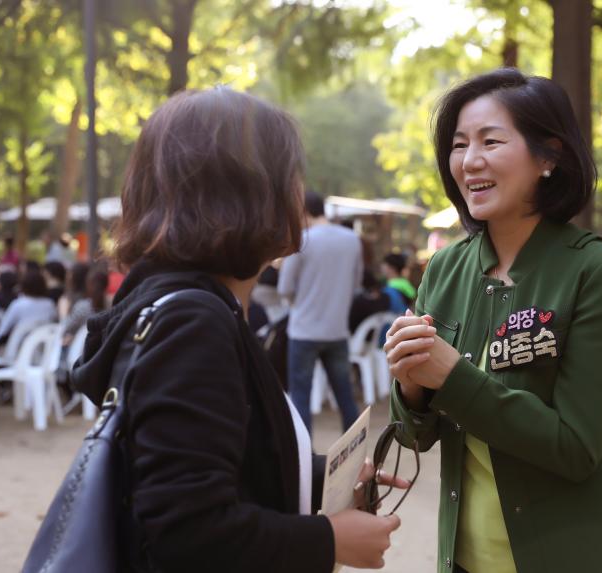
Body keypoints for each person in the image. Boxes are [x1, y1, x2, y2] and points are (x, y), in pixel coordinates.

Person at [70, 88, 402, 572]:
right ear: (245, 191)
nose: (299, 192)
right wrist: (328, 541)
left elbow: (219, 464)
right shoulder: (193, 324)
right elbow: (187, 534)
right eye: (291, 174)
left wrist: (320, 479)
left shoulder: (199, 308)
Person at [385, 69, 602, 573]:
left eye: (491, 141)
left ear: (548, 157)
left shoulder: (595, 272)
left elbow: (576, 448)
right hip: (466, 560)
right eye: (458, 145)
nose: (469, 160)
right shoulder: (445, 268)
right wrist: (410, 384)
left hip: (582, 555)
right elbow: (416, 435)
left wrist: (452, 377)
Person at [278, 191, 362, 434]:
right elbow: (356, 284)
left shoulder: (302, 240)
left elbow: (285, 288)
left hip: (303, 330)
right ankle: (355, 451)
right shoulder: (351, 239)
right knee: (345, 394)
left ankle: (306, 457)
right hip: (337, 330)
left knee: (301, 396)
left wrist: (298, 302)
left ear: (303, 211)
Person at [0, 269, 57, 347]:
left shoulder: (18, 304)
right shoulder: (49, 304)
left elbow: (2, 330)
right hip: (43, 349)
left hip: (19, 349)